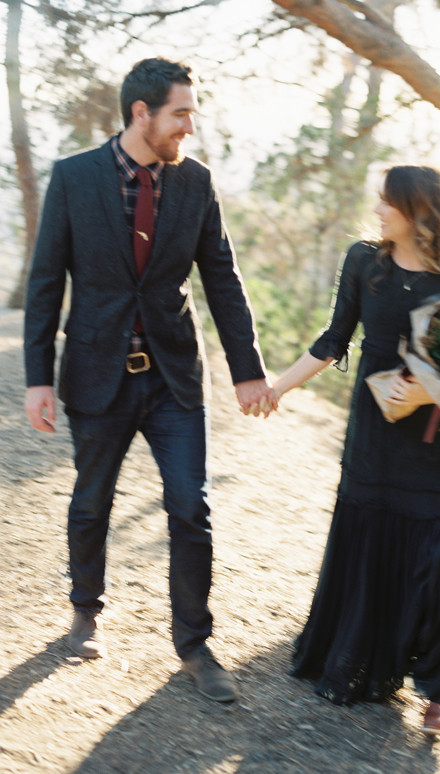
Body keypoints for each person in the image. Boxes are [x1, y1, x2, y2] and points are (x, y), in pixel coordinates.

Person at [24, 57, 275, 703]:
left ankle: (194, 644)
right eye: (180, 113)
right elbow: (47, 280)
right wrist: (38, 380)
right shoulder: (74, 177)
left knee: (191, 507)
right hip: (96, 372)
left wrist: (247, 371)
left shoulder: (195, 183)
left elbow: (221, 275)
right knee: (90, 502)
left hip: (173, 378)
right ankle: (85, 610)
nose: (190, 126)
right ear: (142, 113)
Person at [261, 166, 440, 733]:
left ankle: (437, 685)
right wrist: (276, 387)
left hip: (435, 438)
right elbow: (335, 337)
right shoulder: (364, 260)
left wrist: (428, 393)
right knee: (367, 538)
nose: (378, 211)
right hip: (375, 431)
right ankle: (355, 660)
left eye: (388, 203)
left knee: (434, 553)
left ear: (418, 210)